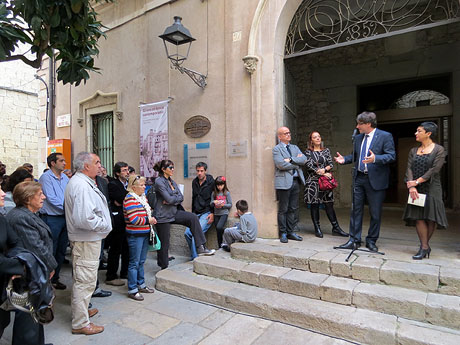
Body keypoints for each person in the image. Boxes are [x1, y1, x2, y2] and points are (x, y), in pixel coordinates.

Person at [64, 152, 112, 335]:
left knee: (83, 279)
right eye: (97, 162)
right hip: (86, 240)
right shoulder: (81, 185)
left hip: (87, 239)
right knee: (85, 281)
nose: (100, 165)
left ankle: (81, 312)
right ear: (86, 166)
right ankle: (80, 322)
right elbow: (84, 219)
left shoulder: (83, 182)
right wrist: (105, 226)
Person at [335, 112, 396, 252]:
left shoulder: (385, 136)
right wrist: (344, 159)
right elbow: (355, 156)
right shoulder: (357, 138)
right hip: (359, 178)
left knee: (375, 212)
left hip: (376, 180)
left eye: (359, 124)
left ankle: (371, 240)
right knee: (355, 210)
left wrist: (376, 158)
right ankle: (354, 240)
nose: (357, 126)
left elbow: (391, 156)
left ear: (368, 124)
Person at [0, 184, 51, 345]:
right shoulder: (19, 217)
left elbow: (15, 243)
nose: (3, 193)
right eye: (40, 194)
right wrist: (20, 267)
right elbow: (34, 246)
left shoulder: (2, 218)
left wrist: (19, 262)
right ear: (29, 198)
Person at [153, 160, 214, 270]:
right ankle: (163, 267)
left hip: (173, 212)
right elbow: (168, 198)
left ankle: (201, 247)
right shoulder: (159, 181)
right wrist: (172, 198)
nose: (172, 169)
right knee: (164, 244)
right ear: (163, 169)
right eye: (170, 167)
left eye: (173, 167)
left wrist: (172, 199)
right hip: (163, 216)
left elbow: (180, 197)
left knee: (192, 217)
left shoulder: (171, 181)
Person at [403, 122, 447, 260]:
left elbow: (434, 170)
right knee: (418, 217)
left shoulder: (439, 150)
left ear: (428, 133)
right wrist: (412, 186)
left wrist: (417, 181)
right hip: (415, 188)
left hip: (432, 187)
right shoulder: (412, 151)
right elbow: (409, 168)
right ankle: (425, 247)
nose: (416, 133)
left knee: (430, 217)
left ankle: (424, 246)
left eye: (419, 131)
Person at [304, 131, 348, 238]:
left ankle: (336, 228)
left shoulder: (326, 151)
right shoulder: (308, 152)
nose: (318, 138)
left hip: (325, 181)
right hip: (313, 181)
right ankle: (317, 228)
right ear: (311, 140)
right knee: (314, 205)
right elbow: (308, 165)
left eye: (319, 136)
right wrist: (321, 171)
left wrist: (323, 170)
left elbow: (331, 164)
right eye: (315, 137)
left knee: (329, 204)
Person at [38, 153, 69, 290]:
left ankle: (55, 278)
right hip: (52, 218)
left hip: (65, 217)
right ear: (52, 163)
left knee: (61, 250)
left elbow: (69, 194)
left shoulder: (65, 178)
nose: (65, 163)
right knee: (51, 248)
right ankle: (47, 280)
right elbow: (51, 198)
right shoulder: (46, 178)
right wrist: (69, 207)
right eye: (61, 161)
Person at [123, 175, 156, 301]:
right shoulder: (130, 199)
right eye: (141, 185)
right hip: (135, 235)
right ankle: (132, 289)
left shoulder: (142, 198)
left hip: (144, 233)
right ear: (133, 187)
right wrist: (149, 220)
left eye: (144, 185)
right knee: (134, 263)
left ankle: (141, 284)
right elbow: (134, 219)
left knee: (141, 261)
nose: (144, 187)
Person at [272, 126, 307, 243]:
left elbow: (304, 159)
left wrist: (290, 160)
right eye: (285, 133)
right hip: (283, 182)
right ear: (280, 136)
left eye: (289, 132)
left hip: (296, 181)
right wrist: (296, 163)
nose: (288, 135)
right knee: (283, 209)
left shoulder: (295, 147)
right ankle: (283, 233)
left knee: (293, 208)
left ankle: (291, 231)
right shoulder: (276, 149)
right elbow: (280, 165)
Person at [184, 162, 215, 260]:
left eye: (201, 171)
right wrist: (193, 214)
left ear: (205, 171)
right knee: (187, 233)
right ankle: (197, 252)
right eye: (198, 171)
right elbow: (194, 198)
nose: (199, 173)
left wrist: (212, 213)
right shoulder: (194, 182)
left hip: (206, 212)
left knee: (196, 233)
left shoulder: (211, 182)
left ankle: (195, 258)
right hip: (196, 213)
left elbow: (215, 197)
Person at [106, 162, 130, 286]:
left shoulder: (128, 185)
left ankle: (125, 272)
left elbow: (129, 198)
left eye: (128, 170)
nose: (127, 173)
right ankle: (111, 275)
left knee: (127, 247)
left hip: (127, 219)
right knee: (115, 248)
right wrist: (125, 199)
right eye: (124, 170)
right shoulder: (113, 184)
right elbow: (121, 198)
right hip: (118, 220)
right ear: (117, 173)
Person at [210, 176, 232, 248]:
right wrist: (214, 202)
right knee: (217, 229)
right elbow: (211, 203)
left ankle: (225, 235)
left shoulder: (226, 193)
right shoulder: (214, 193)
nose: (219, 187)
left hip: (224, 213)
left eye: (221, 185)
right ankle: (220, 245)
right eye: (218, 185)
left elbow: (230, 204)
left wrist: (223, 205)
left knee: (219, 227)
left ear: (224, 185)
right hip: (216, 213)